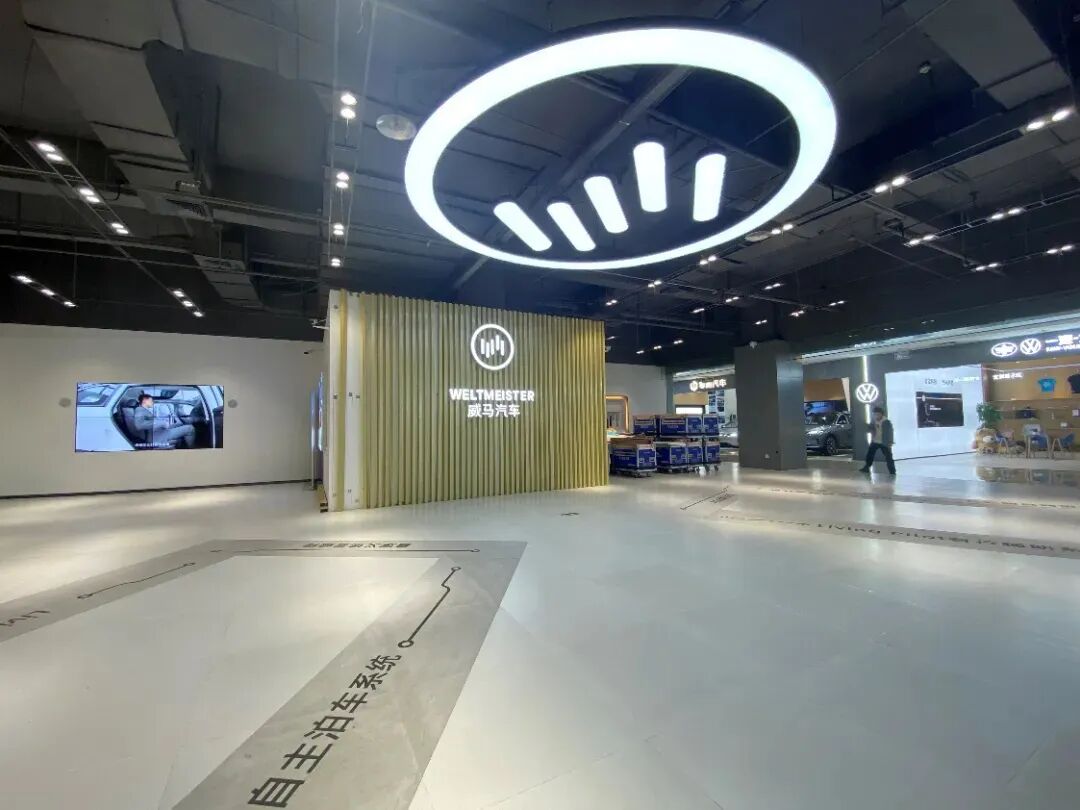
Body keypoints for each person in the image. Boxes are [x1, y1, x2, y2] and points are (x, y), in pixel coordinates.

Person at [859, 406, 895, 475]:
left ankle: (892, 471)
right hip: (875, 440)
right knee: (870, 454)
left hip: (884, 442)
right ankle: (866, 467)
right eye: (875, 414)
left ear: (881, 414)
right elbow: (870, 428)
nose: (876, 416)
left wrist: (890, 441)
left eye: (877, 414)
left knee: (888, 457)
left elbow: (890, 432)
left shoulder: (886, 421)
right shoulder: (873, 421)